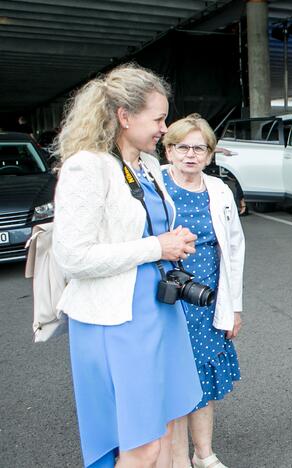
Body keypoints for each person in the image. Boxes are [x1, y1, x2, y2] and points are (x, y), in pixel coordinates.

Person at [52, 63, 202, 467]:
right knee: (141, 447)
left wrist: (170, 242)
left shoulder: (147, 165)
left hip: (157, 313)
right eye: (157, 118)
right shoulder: (87, 166)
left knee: (165, 429)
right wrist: (157, 247)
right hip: (115, 322)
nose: (163, 127)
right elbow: (73, 256)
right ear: (124, 116)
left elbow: (147, 229)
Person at [159, 115, 245, 468]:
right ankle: (178, 459)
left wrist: (234, 307)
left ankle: (204, 453)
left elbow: (235, 249)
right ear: (168, 149)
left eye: (199, 148)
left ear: (210, 154)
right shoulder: (156, 185)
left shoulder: (219, 189)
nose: (190, 155)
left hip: (207, 299)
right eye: (182, 147)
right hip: (165, 300)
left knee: (204, 378)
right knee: (175, 381)